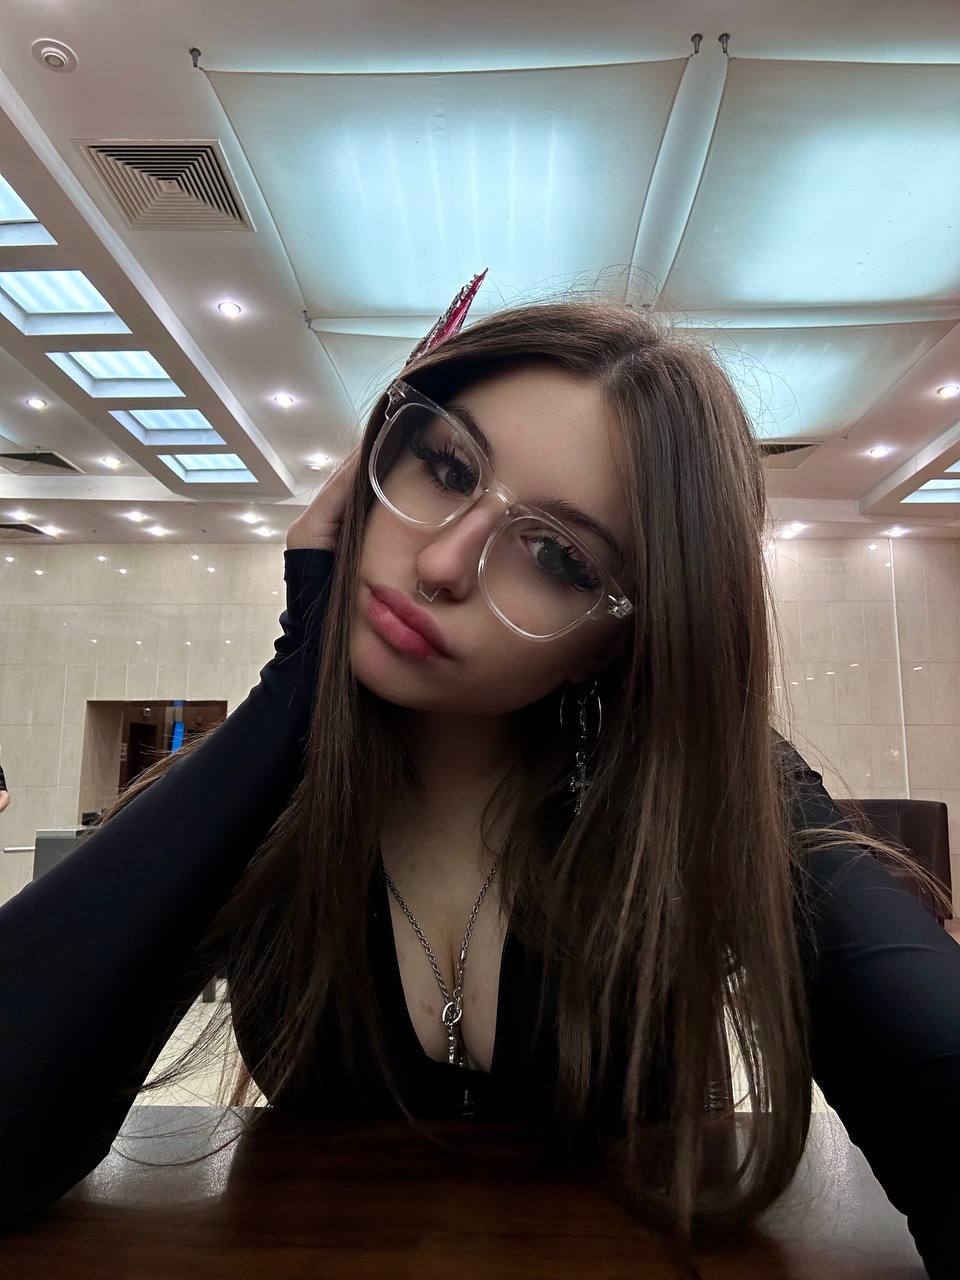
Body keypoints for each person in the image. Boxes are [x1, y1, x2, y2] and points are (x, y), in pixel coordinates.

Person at [0, 281, 958, 1280]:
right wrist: (295, 689)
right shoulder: (255, 790)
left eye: (556, 555)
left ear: (621, 637)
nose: (444, 562)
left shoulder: (712, 798)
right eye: (445, 467)